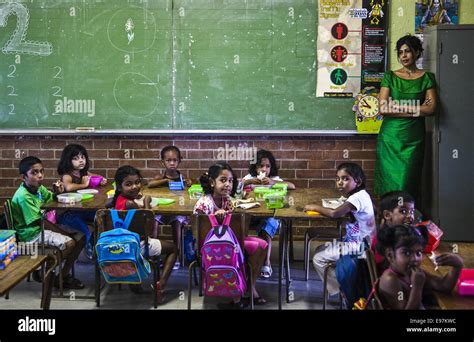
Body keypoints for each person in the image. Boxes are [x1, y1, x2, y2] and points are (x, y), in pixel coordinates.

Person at [194, 162, 268, 309]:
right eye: (223, 180)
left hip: (230, 244)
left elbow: (234, 230)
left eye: (230, 181)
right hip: (210, 249)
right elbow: (199, 234)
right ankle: (237, 297)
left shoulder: (227, 201)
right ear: (212, 182)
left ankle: (249, 287)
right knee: (249, 248)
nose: (228, 184)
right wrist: (214, 218)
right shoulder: (204, 203)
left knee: (262, 245)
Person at [375, 34, 437, 202]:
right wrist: (417, 109)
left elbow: (431, 108)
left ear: (417, 53)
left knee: (408, 181)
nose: (403, 56)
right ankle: (388, 223)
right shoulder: (390, 76)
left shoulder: (427, 78)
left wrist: (398, 106)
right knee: (389, 184)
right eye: (400, 52)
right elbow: (382, 108)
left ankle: (407, 222)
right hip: (390, 138)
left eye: (408, 51)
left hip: (414, 138)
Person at [11, 156, 85, 289]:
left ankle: (62, 276)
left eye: (41, 171)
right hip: (31, 235)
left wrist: (57, 193)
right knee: (70, 242)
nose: (40, 176)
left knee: (81, 237)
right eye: (34, 173)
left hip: (41, 227)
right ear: (24, 177)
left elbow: (51, 199)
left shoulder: (38, 188)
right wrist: (63, 232)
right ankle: (46, 270)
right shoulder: (23, 196)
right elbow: (41, 222)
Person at [304, 162, 375, 297]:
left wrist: (315, 207)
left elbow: (334, 214)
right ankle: (344, 285)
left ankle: (344, 289)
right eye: (338, 179)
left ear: (358, 182)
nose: (340, 182)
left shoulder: (357, 198)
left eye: (345, 178)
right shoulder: (362, 194)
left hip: (360, 247)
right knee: (320, 249)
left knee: (318, 258)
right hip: (358, 242)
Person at [111, 165, 178, 302]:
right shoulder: (130, 204)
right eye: (128, 184)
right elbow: (148, 226)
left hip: (119, 244)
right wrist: (146, 203)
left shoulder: (118, 200)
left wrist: (138, 204)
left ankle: (134, 282)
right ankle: (161, 284)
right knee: (173, 249)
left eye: (137, 182)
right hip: (136, 245)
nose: (135, 187)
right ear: (119, 187)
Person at [376, 224, 463, 309]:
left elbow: (443, 286)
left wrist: (457, 265)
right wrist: (417, 286)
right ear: (390, 255)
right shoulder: (390, 280)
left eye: (418, 253)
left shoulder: (411, 272)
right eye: (407, 253)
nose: (415, 258)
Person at [242, 149, 295, 278]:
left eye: (267, 166)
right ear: (255, 167)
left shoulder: (274, 179)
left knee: (269, 223)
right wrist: (249, 182)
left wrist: (273, 183)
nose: (264, 170)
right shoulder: (250, 178)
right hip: (252, 215)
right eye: (261, 166)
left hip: (268, 216)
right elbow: (236, 185)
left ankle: (266, 262)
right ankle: (243, 261)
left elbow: (292, 186)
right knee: (239, 221)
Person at [56, 143, 107, 259]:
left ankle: (97, 242)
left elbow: (95, 176)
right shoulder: (67, 175)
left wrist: (101, 180)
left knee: (100, 214)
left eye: (82, 157)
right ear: (67, 161)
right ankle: (89, 248)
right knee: (85, 229)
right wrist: (84, 184)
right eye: (76, 158)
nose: (81, 161)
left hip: (80, 210)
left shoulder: (83, 173)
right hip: (67, 213)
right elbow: (68, 187)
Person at [148, 145, 192, 269]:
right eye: (168, 160)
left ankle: (176, 256)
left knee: (178, 221)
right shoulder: (160, 178)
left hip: (176, 211)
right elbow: (150, 184)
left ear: (180, 161)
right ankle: (153, 255)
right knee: (154, 220)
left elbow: (190, 188)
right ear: (163, 162)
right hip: (162, 210)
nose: (172, 163)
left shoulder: (183, 177)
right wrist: (165, 181)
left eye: (175, 160)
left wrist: (189, 183)